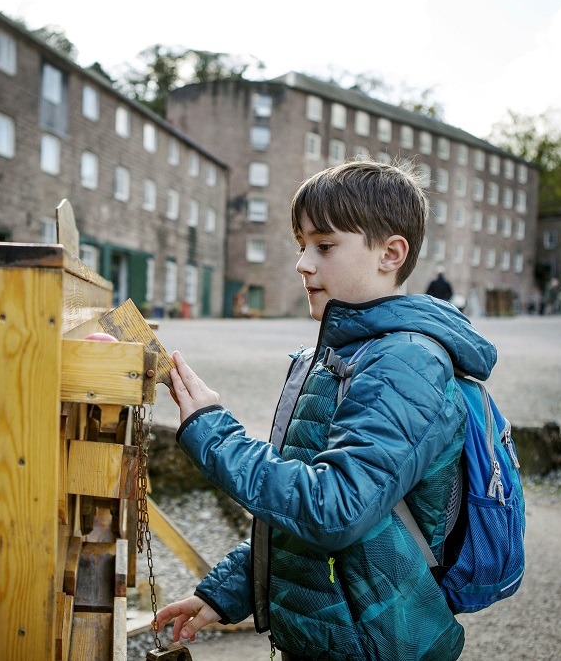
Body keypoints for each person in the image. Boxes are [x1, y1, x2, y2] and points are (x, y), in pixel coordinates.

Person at [153, 160, 498, 660]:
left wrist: (215, 436)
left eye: (325, 245)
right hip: (333, 638)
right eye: (300, 245)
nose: (302, 263)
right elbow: (303, 522)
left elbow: (334, 509)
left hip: (374, 645)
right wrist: (225, 594)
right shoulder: (340, 356)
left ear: (390, 253)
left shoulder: (406, 364)